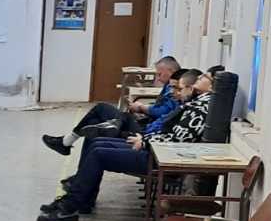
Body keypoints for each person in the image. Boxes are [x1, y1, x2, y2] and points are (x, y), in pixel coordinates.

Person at [38, 71, 215, 221]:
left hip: (159, 157)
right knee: (95, 141)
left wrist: (145, 141)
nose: (199, 78)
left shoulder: (200, 108)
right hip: (153, 147)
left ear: (212, 86)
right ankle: (82, 201)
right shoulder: (197, 103)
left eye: (204, 77)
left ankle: (69, 208)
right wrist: (145, 139)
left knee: (98, 152)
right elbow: (170, 133)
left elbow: (178, 140)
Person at [42, 54, 183, 156]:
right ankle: (78, 172)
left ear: (171, 71)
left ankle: (66, 143)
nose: (158, 78)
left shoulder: (176, 87)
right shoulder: (171, 85)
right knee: (94, 126)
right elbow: (163, 108)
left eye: (160, 74)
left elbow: (163, 112)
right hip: (147, 124)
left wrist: (142, 107)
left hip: (146, 132)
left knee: (101, 108)